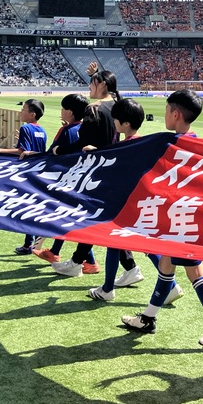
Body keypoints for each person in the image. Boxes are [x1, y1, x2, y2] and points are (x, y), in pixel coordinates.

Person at [120, 90, 203, 351]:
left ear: (174, 114)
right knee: (166, 264)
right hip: (182, 217)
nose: (164, 115)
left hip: (182, 220)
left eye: (166, 110)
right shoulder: (197, 143)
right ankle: (148, 318)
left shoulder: (171, 144)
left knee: (195, 272)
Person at [87, 97, 162, 301]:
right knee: (142, 245)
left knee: (115, 242)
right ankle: (170, 285)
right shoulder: (143, 142)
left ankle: (107, 289)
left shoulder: (127, 146)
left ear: (126, 123)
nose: (113, 122)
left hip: (124, 203)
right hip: (139, 202)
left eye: (116, 119)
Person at [49, 64, 120, 276]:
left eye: (92, 83)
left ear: (102, 84)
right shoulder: (116, 104)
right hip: (113, 165)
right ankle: (128, 267)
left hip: (94, 168)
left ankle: (77, 262)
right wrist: (96, 75)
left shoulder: (94, 108)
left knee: (90, 218)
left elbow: (83, 142)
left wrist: (59, 150)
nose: (89, 86)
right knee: (102, 218)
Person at [31, 93, 89, 258]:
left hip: (62, 177)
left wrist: (31, 155)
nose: (61, 111)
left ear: (69, 112)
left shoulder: (65, 130)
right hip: (80, 178)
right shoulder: (85, 130)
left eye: (63, 108)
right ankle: (58, 252)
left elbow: (51, 153)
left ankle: (47, 246)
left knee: (60, 214)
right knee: (69, 217)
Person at [0, 99, 48, 255]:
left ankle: (30, 243)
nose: (21, 112)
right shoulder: (42, 130)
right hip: (38, 171)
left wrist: (0, 150)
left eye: (24, 109)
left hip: (27, 172)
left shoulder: (25, 128)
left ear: (32, 114)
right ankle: (30, 242)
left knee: (25, 207)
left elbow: (22, 151)